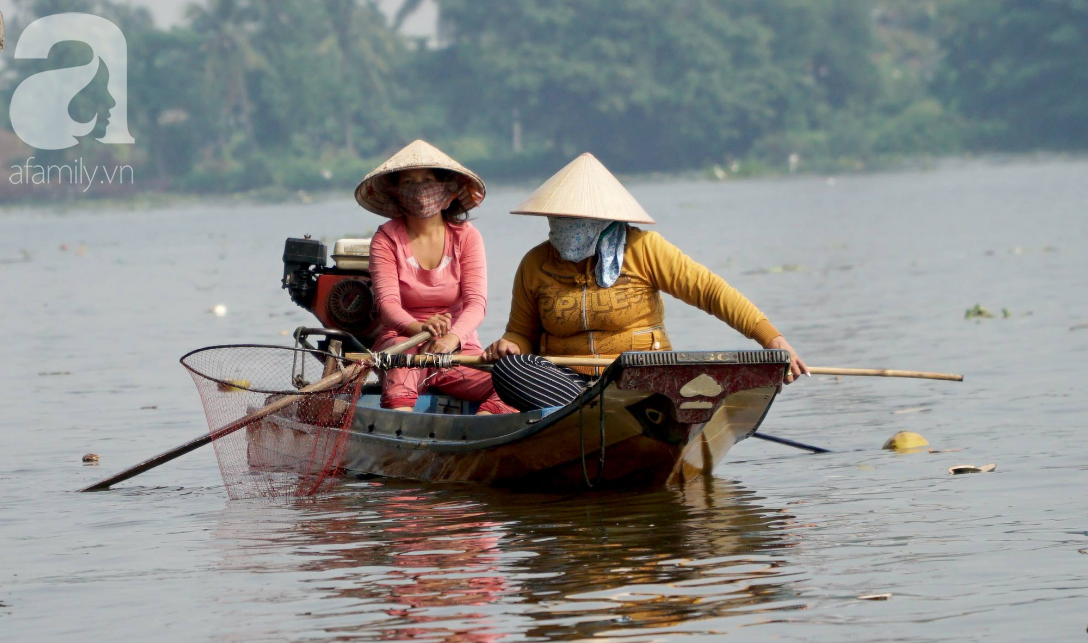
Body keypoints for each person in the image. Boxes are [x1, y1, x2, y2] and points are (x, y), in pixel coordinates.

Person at [482, 152, 808, 411]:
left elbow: (711, 291)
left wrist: (771, 339)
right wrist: (510, 346)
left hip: (639, 380)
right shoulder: (535, 264)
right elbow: (521, 333)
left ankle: (608, 412)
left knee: (672, 381)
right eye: (560, 218)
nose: (566, 227)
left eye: (576, 219)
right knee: (510, 370)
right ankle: (589, 412)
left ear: (602, 218)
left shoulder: (644, 248)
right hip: (568, 386)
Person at [356, 140, 514, 415]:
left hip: (454, 348)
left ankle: (480, 433)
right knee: (401, 379)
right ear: (396, 192)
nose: (419, 189)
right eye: (409, 182)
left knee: (514, 385)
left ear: (446, 191)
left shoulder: (466, 237)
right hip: (402, 343)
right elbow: (388, 306)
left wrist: (451, 338)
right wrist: (421, 330)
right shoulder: (386, 238)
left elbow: (476, 304)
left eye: (427, 180)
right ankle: (401, 436)